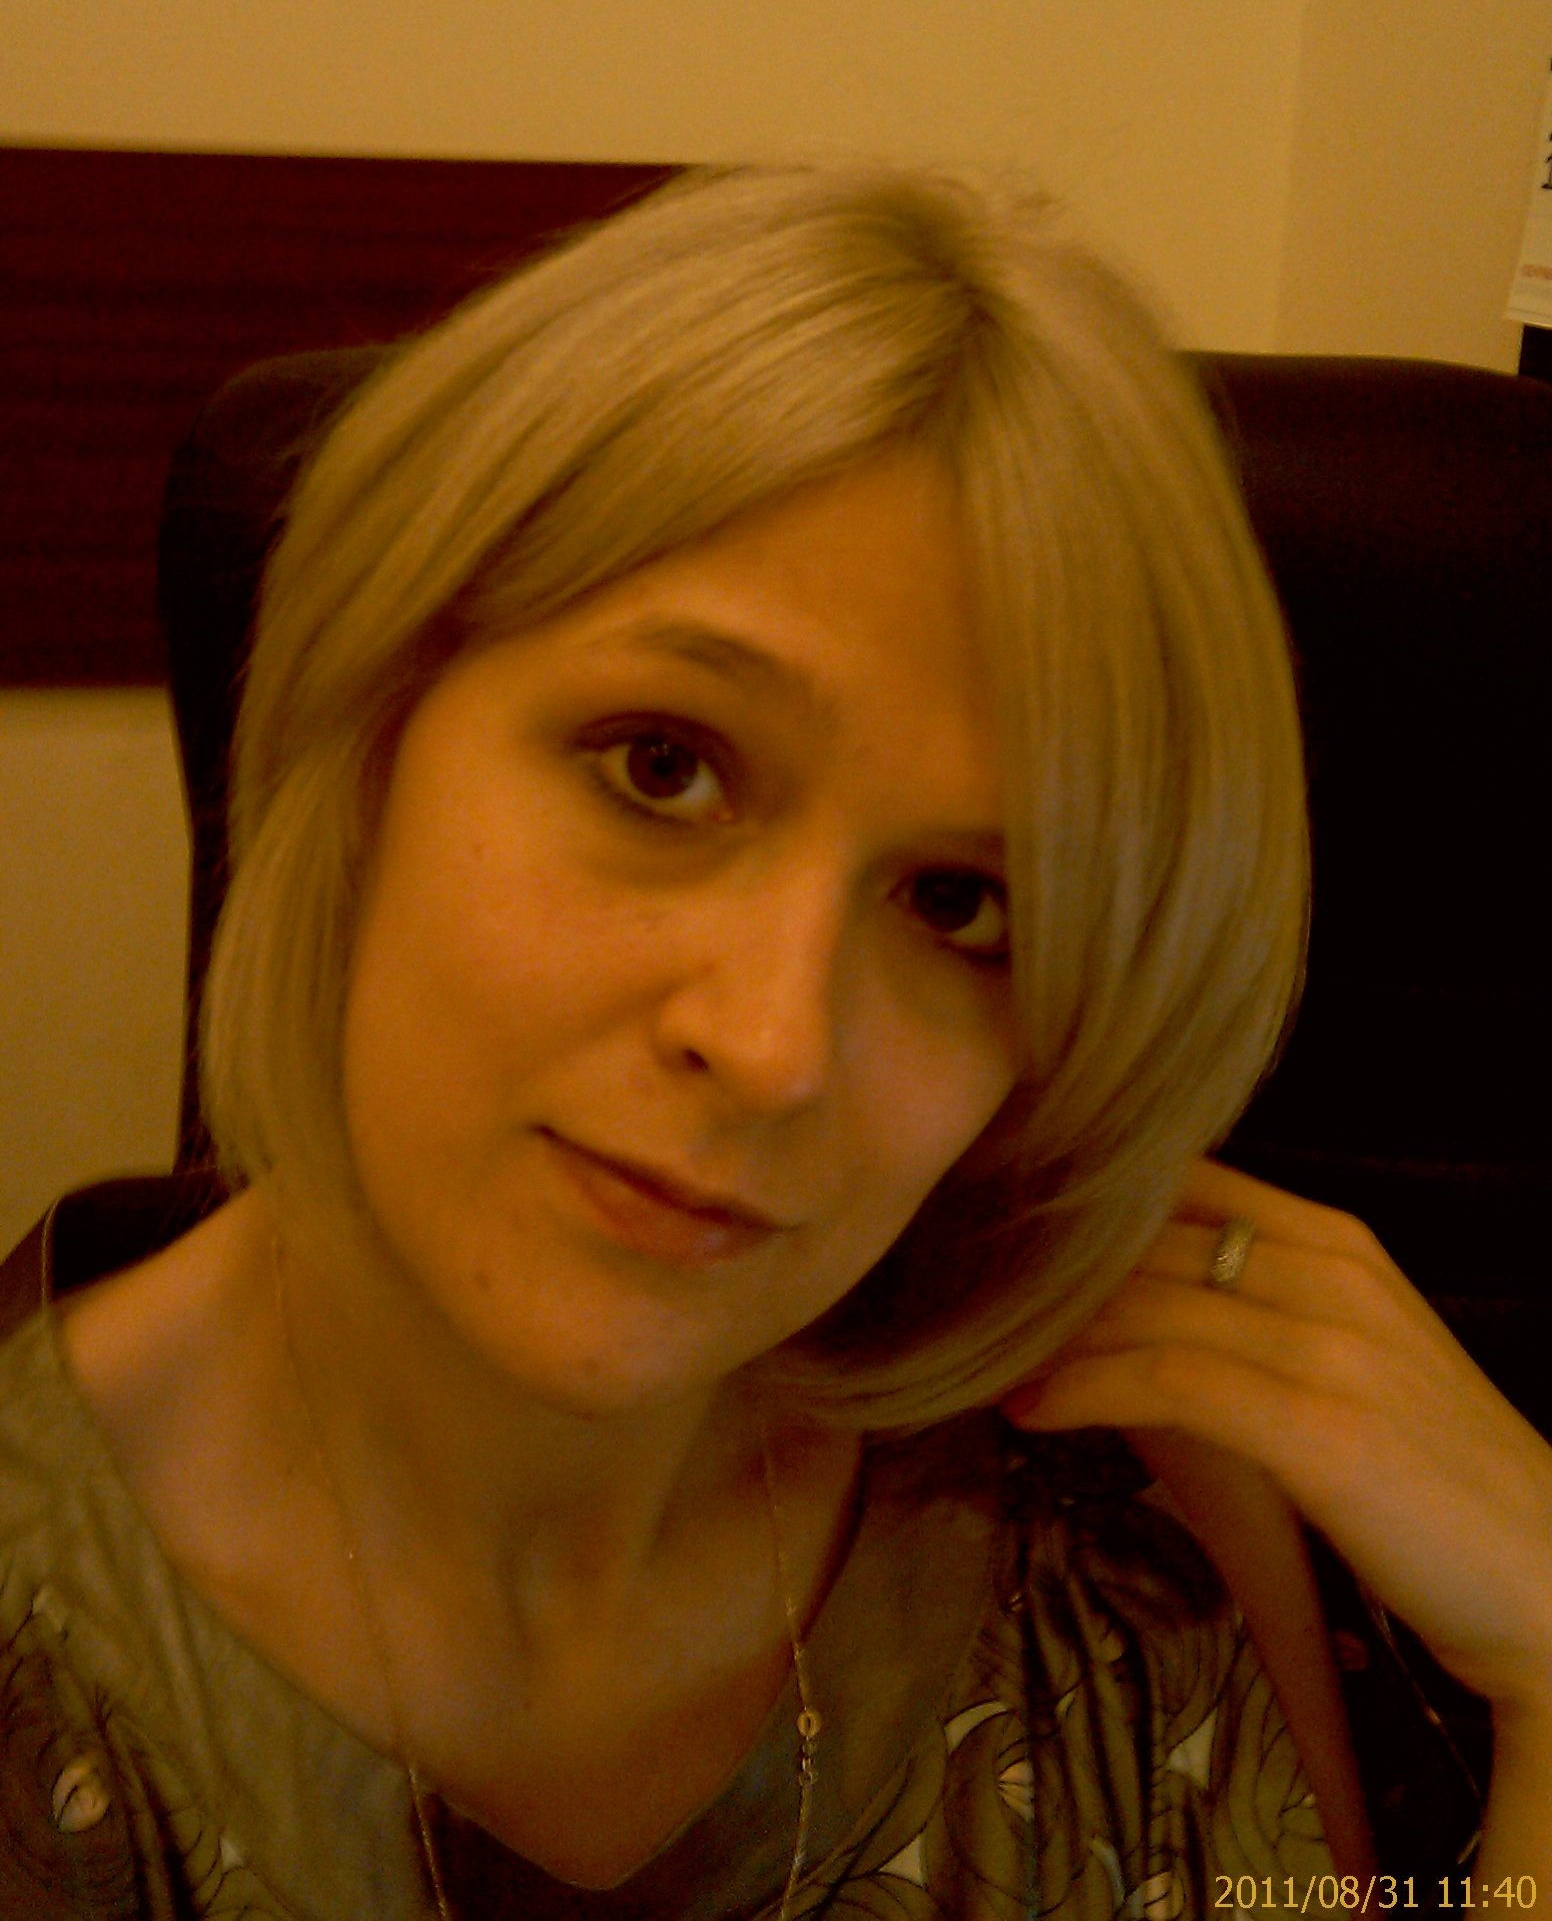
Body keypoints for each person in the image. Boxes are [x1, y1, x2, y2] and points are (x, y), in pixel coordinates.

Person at [1, 163, 1547, 1919]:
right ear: (371, 727)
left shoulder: (1134, 1524)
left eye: (962, 903)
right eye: (662, 766)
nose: (772, 1043)